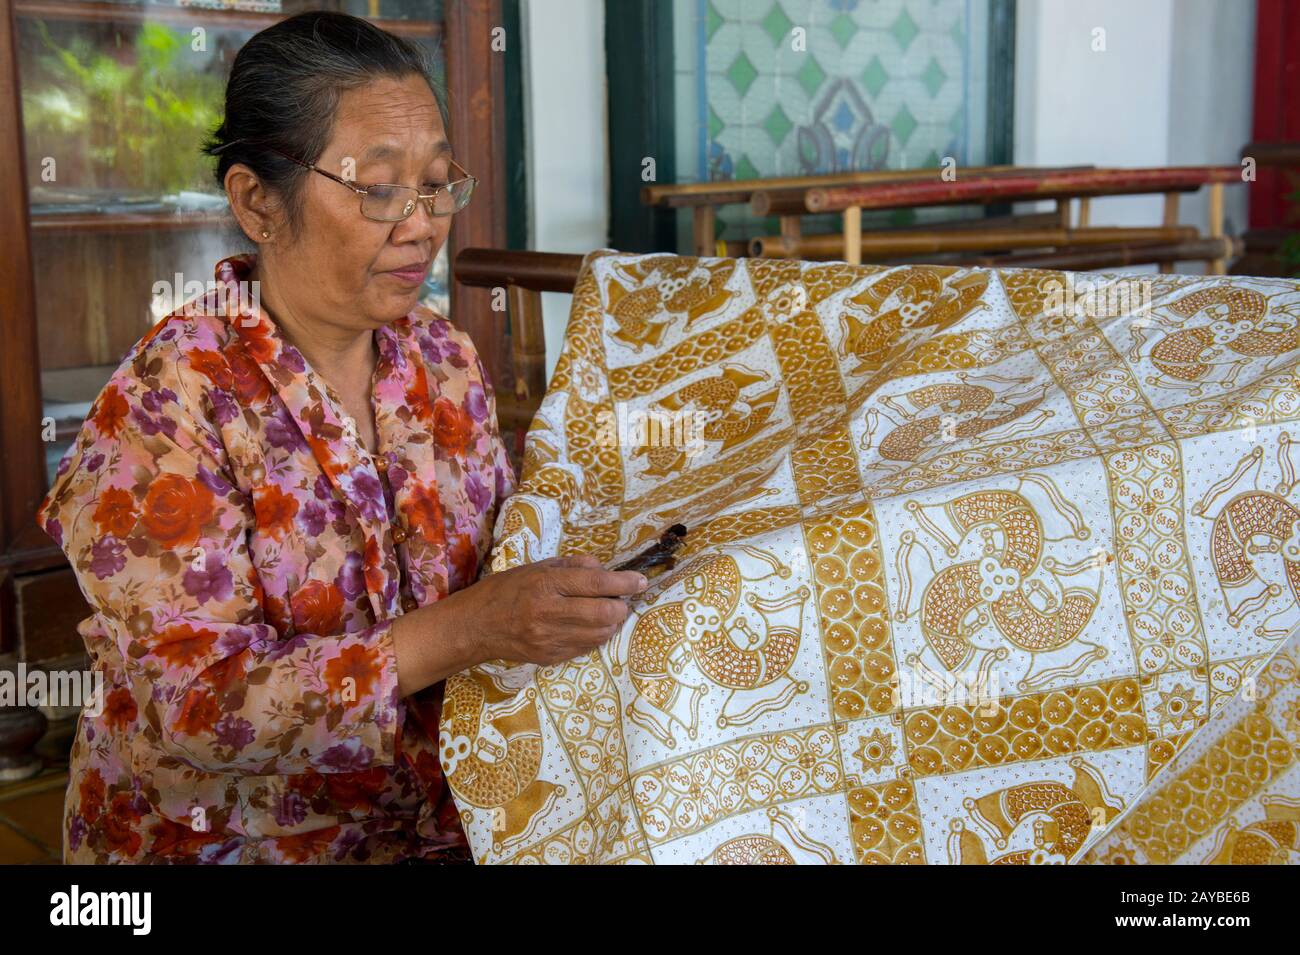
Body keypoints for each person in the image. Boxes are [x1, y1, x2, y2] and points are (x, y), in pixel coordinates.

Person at [38, 11, 645, 864]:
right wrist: (470, 629)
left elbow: (506, 556)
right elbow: (201, 707)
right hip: (222, 842)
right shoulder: (166, 401)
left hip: (444, 825)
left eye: (437, 184)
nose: (423, 222)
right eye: (378, 188)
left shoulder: (444, 359)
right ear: (257, 202)